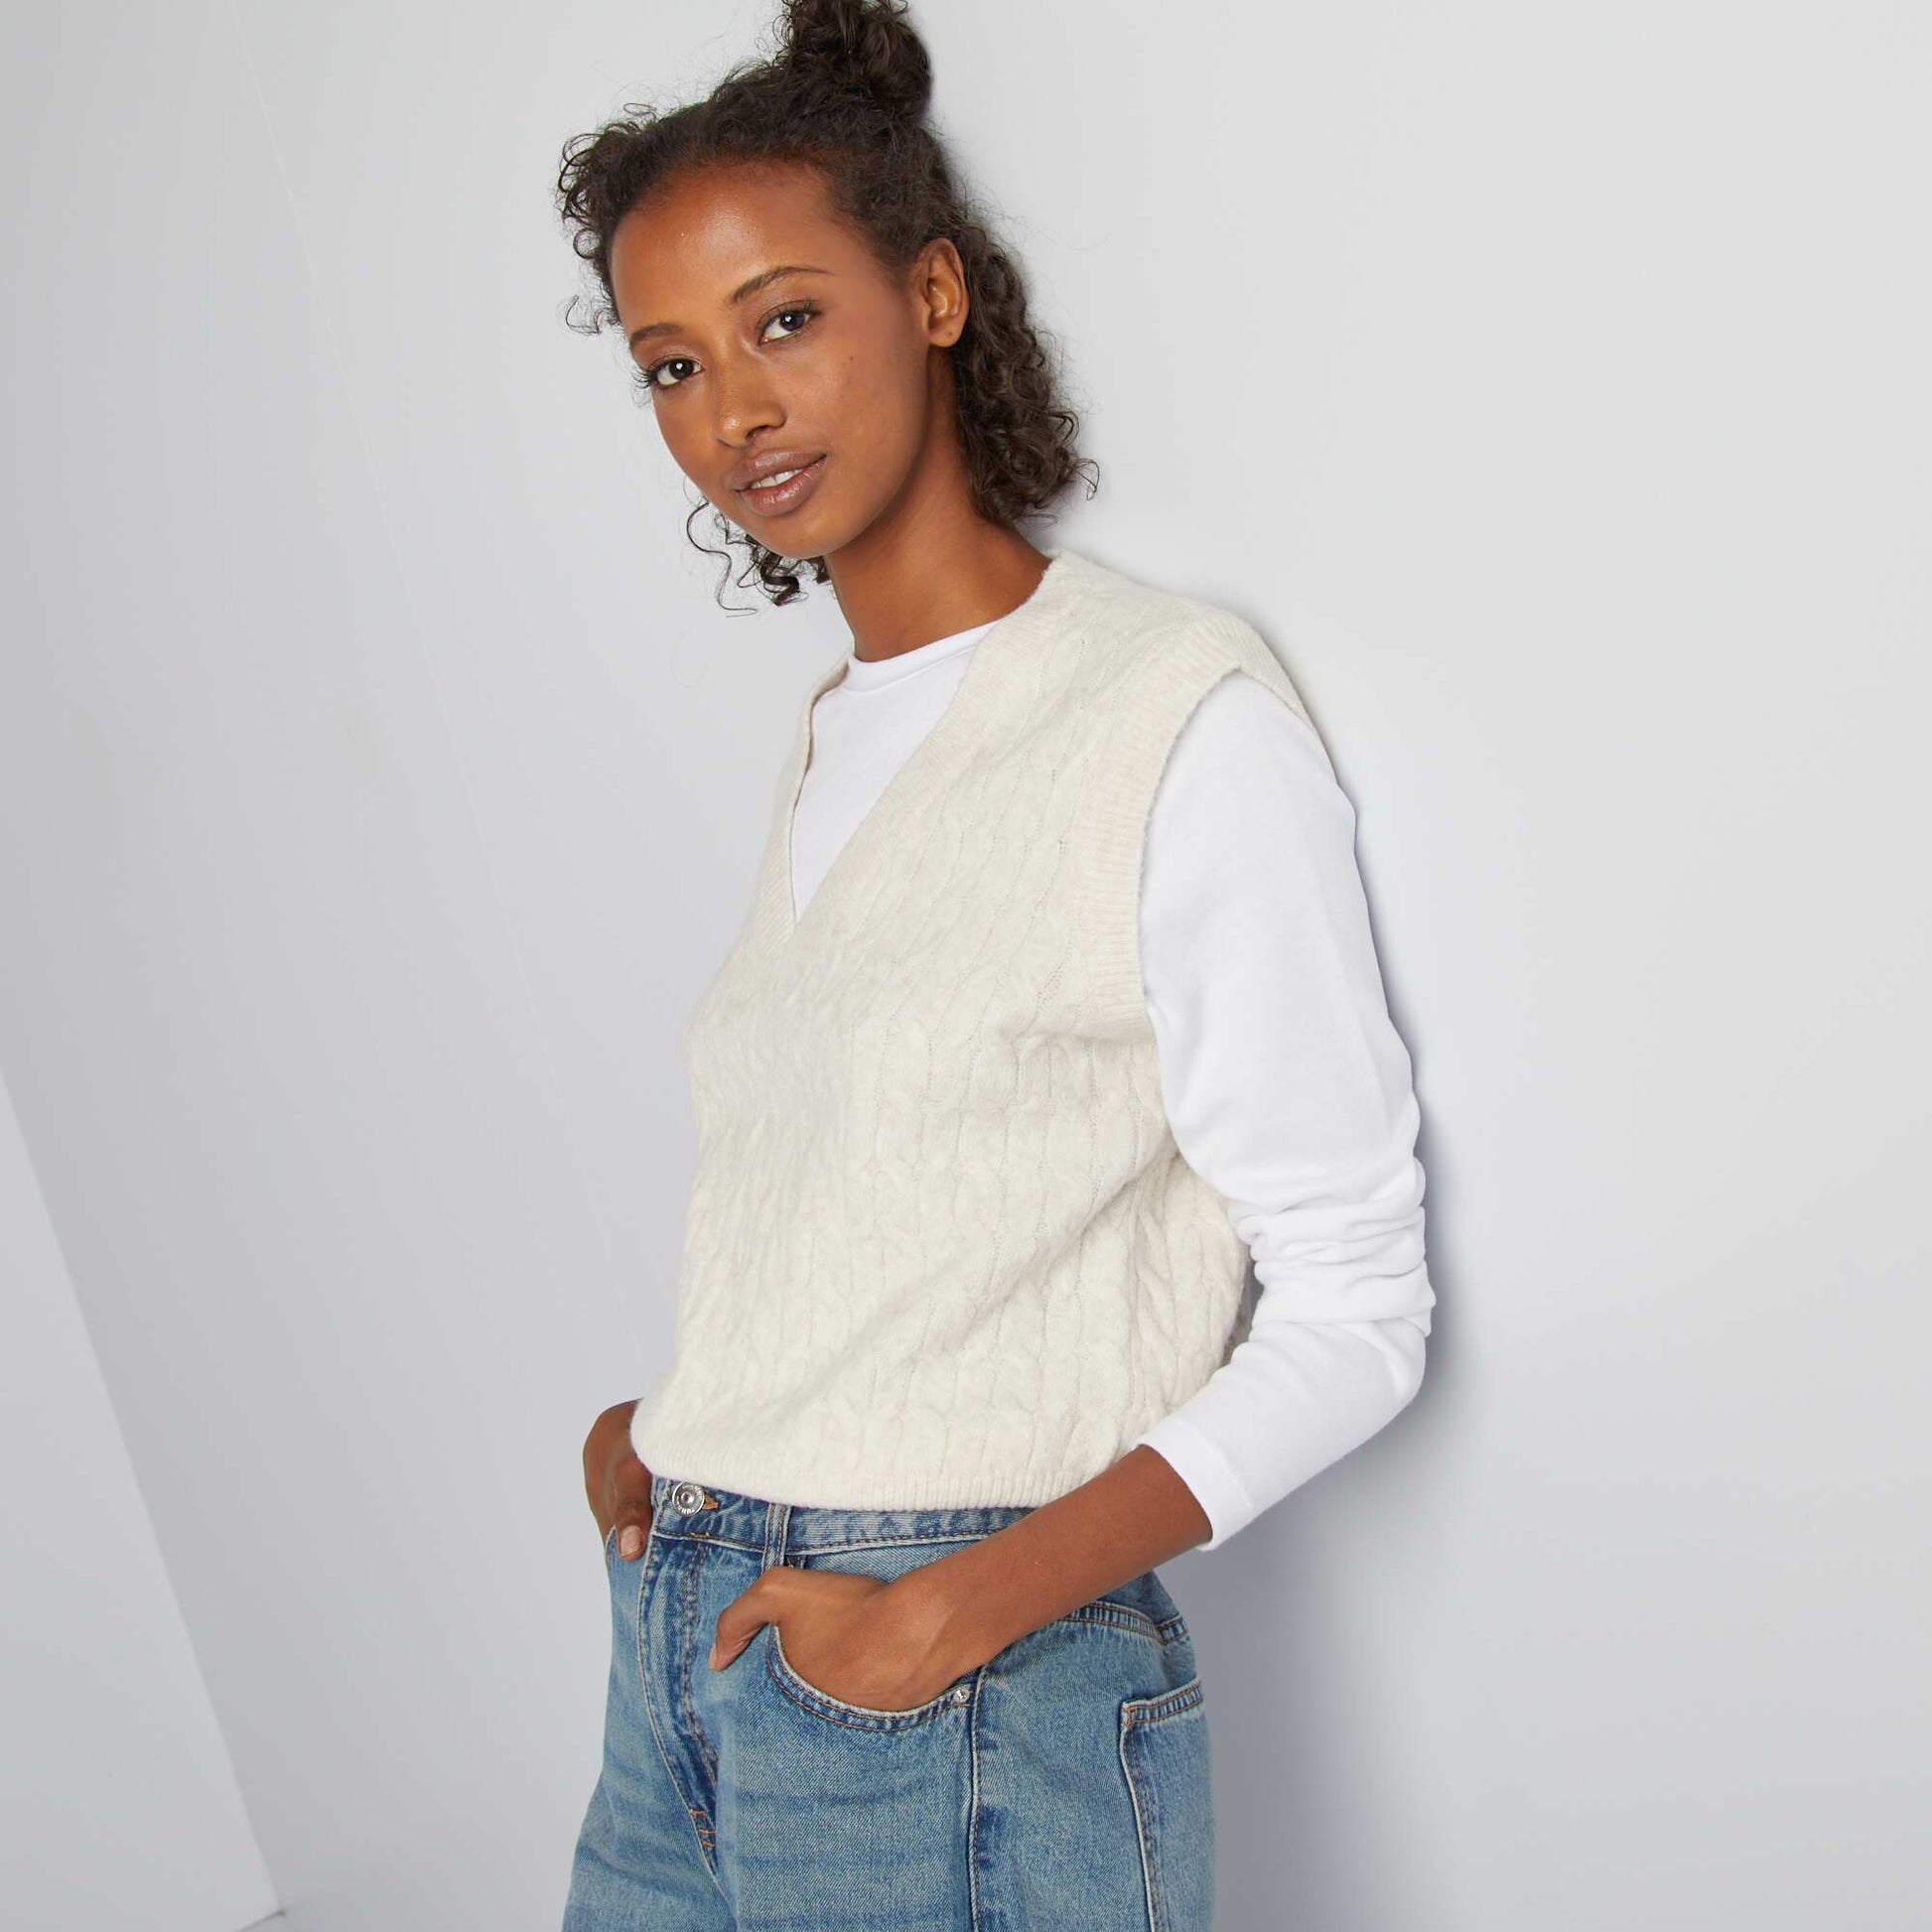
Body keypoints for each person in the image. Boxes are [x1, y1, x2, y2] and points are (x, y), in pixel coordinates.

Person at [552, 1, 1435, 1924]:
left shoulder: (1162, 713)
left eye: (786, 319)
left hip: (941, 1695)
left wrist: (945, 1611)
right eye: (673, 364)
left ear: (933, 293)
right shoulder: (834, 731)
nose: (733, 413)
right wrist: (666, 1436)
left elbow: (1359, 1309)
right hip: (684, 1650)